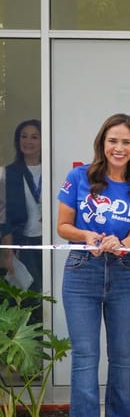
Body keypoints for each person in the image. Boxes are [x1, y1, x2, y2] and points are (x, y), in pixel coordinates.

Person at [56, 113, 130, 417]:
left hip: (125, 272)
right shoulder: (78, 178)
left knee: (122, 360)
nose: (119, 148)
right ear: (102, 143)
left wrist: (120, 244)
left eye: (126, 142)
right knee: (85, 360)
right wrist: (88, 236)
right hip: (82, 270)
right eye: (113, 140)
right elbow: (63, 225)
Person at [2, 119, 43, 298]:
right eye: (23, 137)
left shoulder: (52, 169)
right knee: (29, 296)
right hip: (24, 241)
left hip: (50, 239)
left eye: (34, 137)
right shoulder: (8, 173)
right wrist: (9, 253)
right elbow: (5, 217)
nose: (28, 141)